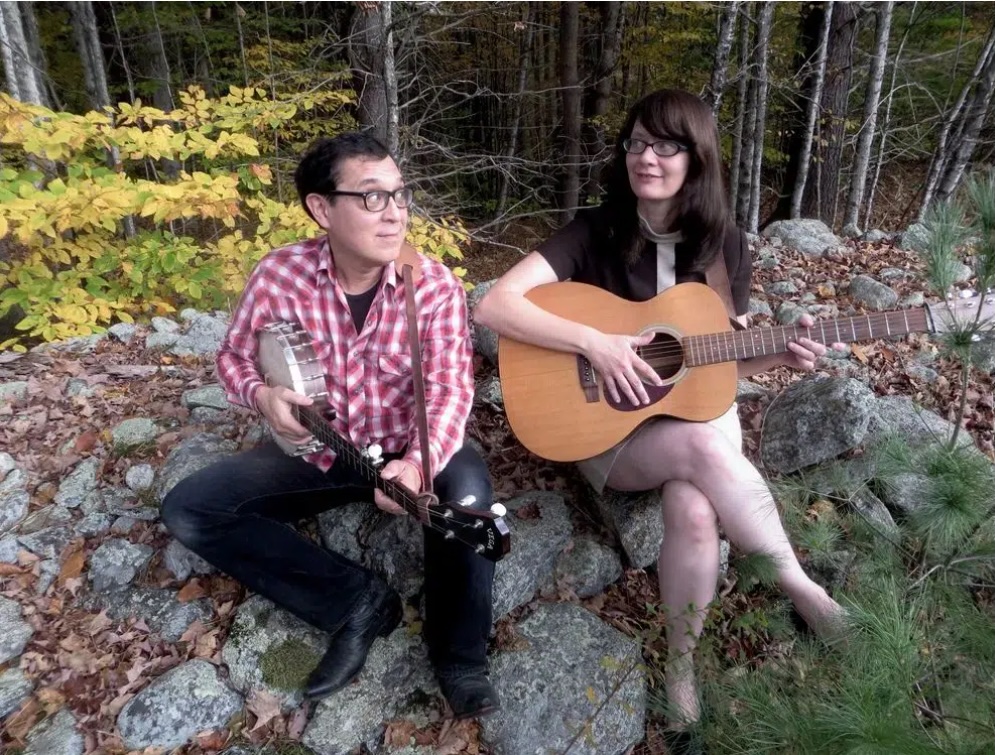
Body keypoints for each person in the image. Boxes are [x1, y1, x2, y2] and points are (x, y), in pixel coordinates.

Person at [474, 90, 845, 740]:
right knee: (703, 450)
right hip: (603, 422)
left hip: (694, 413)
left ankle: (679, 666)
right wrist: (596, 344)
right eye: (637, 143)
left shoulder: (724, 246)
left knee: (695, 509)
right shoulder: (594, 231)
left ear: (696, 157)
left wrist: (779, 355)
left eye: (666, 145)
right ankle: (804, 590)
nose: (647, 157)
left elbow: (711, 367)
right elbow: (494, 305)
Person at [161, 132, 499, 720]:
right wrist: (262, 395)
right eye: (371, 197)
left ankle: (461, 657)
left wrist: (417, 463)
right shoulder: (279, 275)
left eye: (399, 194)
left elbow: (450, 390)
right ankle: (356, 603)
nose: (394, 213)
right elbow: (234, 358)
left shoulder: (433, 286)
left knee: (468, 500)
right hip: (318, 450)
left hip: (407, 446)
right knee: (190, 509)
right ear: (322, 208)